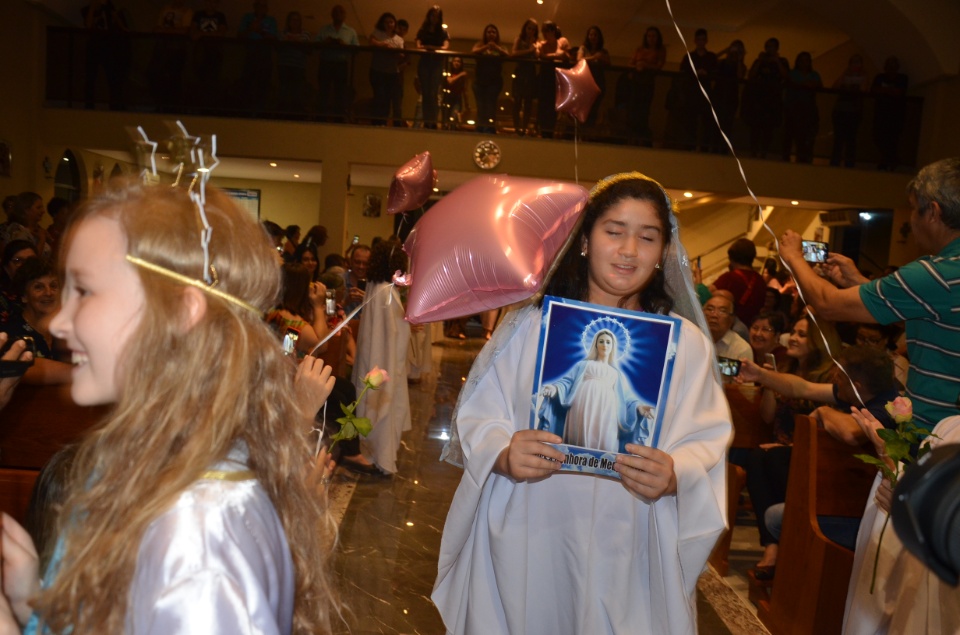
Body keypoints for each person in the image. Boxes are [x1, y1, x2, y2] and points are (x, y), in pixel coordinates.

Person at [0, 181, 339, 632]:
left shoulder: (197, 537)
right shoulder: (154, 464)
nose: (59, 320)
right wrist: (29, 600)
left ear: (181, 311)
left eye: (84, 291)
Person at [433, 172, 730, 633]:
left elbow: (705, 437)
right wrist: (506, 453)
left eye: (647, 237)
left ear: (663, 251)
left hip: (630, 531)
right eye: (614, 232)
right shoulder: (532, 326)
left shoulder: (685, 345)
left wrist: (676, 475)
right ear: (586, 241)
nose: (629, 250)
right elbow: (480, 410)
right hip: (534, 519)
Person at [779, 157, 960, 432]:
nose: (911, 221)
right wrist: (858, 281)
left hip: (939, 436)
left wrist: (793, 258)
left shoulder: (935, 274)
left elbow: (827, 305)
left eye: (913, 209)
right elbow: (933, 318)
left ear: (933, 212)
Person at [539, 329, 652, 452]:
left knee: (607, 439)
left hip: (608, 410)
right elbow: (567, 382)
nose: (604, 345)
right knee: (580, 435)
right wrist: (554, 388)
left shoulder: (616, 373)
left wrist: (638, 406)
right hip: (582, 404)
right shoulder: (584, 365)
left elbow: (627, 397)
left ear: (613, 346)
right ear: (595, 344)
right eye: (601, 341)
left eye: (608, 342)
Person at [351, 239, 411, 475]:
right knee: (382, 412)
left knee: (375, 408)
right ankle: (382, 459)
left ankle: (378, 455)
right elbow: (391, 334)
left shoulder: (376, 287)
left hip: (377, 357)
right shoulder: (385, 292)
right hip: (384, 361)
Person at [315, 4, 359, 122]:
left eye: (341, 12)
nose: (338, 14)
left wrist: (344, 45)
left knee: (340, 91)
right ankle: (321, 118)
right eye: (336, 12)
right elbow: (315, 45)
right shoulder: (324, 29)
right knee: (323, 90)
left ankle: (338, 118)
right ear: (332, 15)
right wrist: (326, 42)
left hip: (341, 64)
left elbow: (357, 49)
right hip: (326, 63)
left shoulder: (351, 31)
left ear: (344, 15)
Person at [711, 237, 766, 325]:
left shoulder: (729, 277)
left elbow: (707, 295)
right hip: (752, 326)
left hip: (731, 326)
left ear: (731, 257)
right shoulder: (760, 280)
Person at [782, 51, 822, 163]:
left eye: (806, 60)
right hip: (793, 111)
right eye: (802, 60)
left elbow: (819, 85)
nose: (804, 63)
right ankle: (786, 158)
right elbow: (790, 81)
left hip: (808, 112)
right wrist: (803, 84)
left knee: (805, 138)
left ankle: (804, 159)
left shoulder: (814, 75)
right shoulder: (792, 73)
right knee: (789, 136)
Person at [629, 26, 666, 146]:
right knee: (634, 109)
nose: (651, 39)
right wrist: (637, 66)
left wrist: (645, 65)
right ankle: (633, 137)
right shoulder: (639, 49)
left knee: (644, 110)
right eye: (649, 36)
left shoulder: (660, 50)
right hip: (636, 82)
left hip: (648, 83)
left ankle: (642, 137)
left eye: (654, 36)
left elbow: (659, 66)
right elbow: (631, 63)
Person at [830, 54, 869, 168]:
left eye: (858, 62)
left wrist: (863, 76)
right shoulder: (844, 76)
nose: (855, 65)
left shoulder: (864, 77)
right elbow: (834, 87)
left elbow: (864, 89)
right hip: (840, 111)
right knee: (838, 138)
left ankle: (849, 164)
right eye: (853, 62)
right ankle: (835, 162)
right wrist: (845, 74)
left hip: (854, 112)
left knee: (851, 139)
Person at [415, 5, 450, 129]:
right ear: (429, 16)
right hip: (424, 63)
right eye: (432, 15)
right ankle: (426, 120)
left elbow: (446, 47)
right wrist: (429, 48)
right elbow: (418, 45)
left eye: (437, 16)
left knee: (434, 92)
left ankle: (433, 120)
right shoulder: (423, 30)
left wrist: (432, 48)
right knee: (425, 93)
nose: (434, 18)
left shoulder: (442, 32)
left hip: (436, 64)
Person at [871, 56, 909, 171]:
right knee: (878, 136)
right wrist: (890, 91)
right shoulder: (879, 77)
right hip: (881, 113)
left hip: (896, 114)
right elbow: (874, 90)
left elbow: (899, 92)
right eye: (889, 65)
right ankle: (888, 159)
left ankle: (889, 161)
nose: (891, 67)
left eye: (893, 65)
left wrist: (885, 91)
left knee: (892, 138)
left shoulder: (902, 78)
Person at [368, 13, 405, 127]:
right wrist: (382, 45)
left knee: (388, 98)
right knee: (379, 96)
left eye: (391, 22)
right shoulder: (378, 33)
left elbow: (402, 55)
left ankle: (383, 122)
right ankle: (376, 121)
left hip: (392, 72)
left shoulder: (399, 39)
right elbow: (371, 41)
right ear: (382, 23)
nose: (389, 24)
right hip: (377, 70)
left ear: (394, 24)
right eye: (386, 22)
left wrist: (394, 51)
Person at [535, 21, 570, 138]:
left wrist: (552, 56)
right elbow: (541, 56)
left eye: (547, 30)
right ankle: (544, 130)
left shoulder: (562, 41)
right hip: (545, 77)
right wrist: (556, 55)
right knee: (544, 104)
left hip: (557, 77)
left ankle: (552, 130)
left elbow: (567, 56)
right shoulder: (542, 44)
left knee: (555, 104)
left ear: (553, 31)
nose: (545, 33)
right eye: (543, 31)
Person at [471, 25, 508, 134]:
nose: (491, 34)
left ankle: (489, 128)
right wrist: (486, 47)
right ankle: (480, 128)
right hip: (479, 82)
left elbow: (507, 54)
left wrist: (496, 48)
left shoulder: (501, 46)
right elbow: (474, 51)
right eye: (489, 32)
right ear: (485, 34)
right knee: (480, 105)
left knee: (491, 105)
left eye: (493, 32)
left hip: (494, 82)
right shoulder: (480, 44)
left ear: (497, 35)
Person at [704, 293, 752, 367]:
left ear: (732, 319)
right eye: (710, 309)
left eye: (722, 311)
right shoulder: (693, 338)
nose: (714, 315)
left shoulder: (742, 349)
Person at [576, 26, 609, 131]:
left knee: (594, 109)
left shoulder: (603, 51)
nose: (593, 37)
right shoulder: (583, 48)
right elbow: (579, 59)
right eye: (591, 34)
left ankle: (589, 131)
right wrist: (594, 58)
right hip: (585, 82)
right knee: (584, 108)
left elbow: (608, 63)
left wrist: (601, 58)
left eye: (595, 35)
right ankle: (582, 131)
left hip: (598, 82)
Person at [510, 19, 539, 136]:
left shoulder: (536, 42)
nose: (530, 31)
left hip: (530, 73)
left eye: (533, 29)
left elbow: (537, 56)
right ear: (525, 28)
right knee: (517, 101)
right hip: (520, 71)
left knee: (528, 103)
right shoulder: (519, 39)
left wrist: (533, 46)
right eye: (529, 28)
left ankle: (524, 128)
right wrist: (528, 50)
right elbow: (514, 53)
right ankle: (516, 127)